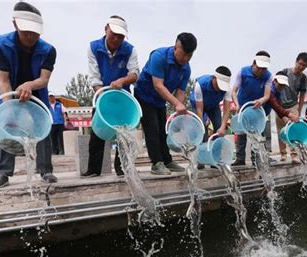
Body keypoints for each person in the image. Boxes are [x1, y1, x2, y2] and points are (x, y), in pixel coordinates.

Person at [0, 1, 57, 189]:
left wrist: (29, 85)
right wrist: (8, 106)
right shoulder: (2, 44)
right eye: (26, 32)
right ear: (15, 25)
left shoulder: (48, 50)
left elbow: (44, 79)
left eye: (35, 33)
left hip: (37, 89)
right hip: (10, 88)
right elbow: (3, 79)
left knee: (43, 126)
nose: (30, 36)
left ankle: (46, 170)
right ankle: (1, 172)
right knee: (7, 121)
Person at [82, 15, 139, 178]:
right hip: (102, 94)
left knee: (124, 133)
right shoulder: (94, 47)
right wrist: (101, 94)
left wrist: (123, 80)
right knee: (97, 133)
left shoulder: (130, 49)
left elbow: (135, 73)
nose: (116, 39)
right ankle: (93, 169)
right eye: (114, 34)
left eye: (121, 36)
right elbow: (94, 76)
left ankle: (122, 168)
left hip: (122, 98)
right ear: (106, 29)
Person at [134, 32, 197, 175]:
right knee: (152, 128)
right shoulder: (159, 56)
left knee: (163, 130)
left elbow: (180, 92)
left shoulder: (186, 68)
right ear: (176, 47)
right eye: (184, 54)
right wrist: (176, 104)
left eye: (190, 55)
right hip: (144, 95)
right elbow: (158, 85)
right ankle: (156, 163)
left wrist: (178, 112)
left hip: (160, 100)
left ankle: (167, 161)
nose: (186, 58)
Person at [231, 51, 272, 166]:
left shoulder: (268, 76)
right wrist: (236, 104)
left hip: (256, 109)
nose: (261, 71)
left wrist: (261, 100)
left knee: (258, 134)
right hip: (242, 107)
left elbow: (267, 95)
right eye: (259, 68)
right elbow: (234, 91)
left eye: (264, 69)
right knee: (241, 133)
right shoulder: (243, 72)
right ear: (253, 63)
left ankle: (257, 160)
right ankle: (240, 159)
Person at [276, 52, 307, 163]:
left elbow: (302, 96)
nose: (301, 67)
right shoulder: (285, 72)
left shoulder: (303, 78)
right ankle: (283, 154)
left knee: (293, 130)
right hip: (281, 106)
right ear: (296, 61)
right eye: (300, 64)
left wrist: (299, 110)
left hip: (293, 105)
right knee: (281, 130)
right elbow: (276, 89)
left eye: (304, 66)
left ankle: (294, 154)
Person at [189, 66, 232, 139]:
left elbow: (227, 109)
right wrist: (201, 124)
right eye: (219, 84)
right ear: (213, 78)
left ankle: (217, 148)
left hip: (213, 105)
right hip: (198, 105)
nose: (220, 88)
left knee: (219, 127)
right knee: (201, 129)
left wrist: (223, 127)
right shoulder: (200, 84)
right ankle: (201, 147)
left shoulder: (227, 89)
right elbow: (199, 108)